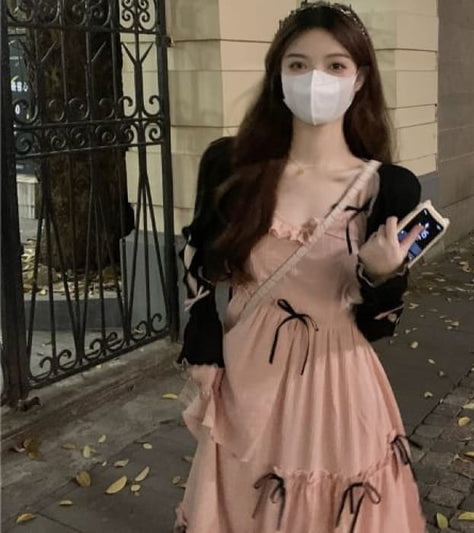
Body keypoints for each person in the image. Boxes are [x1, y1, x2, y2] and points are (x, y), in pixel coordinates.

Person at [174, 2, 427, 532]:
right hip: (247, 381)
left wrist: (381, 275)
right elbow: (199, 264)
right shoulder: (230, 167)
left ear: (360, 79)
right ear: (278, 75)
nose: (316, 79)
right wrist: (203, 349)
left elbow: (379, 326)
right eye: (298, 64)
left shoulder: (389, 188)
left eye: (335, 65)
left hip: (336, 386)